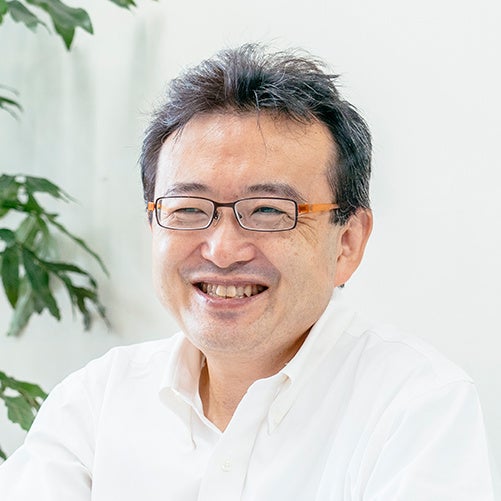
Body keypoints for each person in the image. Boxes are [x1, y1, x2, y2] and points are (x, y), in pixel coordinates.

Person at [0, 44, 494, 500]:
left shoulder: (415, 408)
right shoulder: (95, 403)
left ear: (347, 242)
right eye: (189, 209)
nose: (222, 250)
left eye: (269, 211)